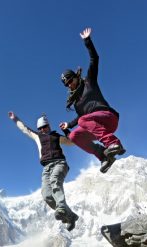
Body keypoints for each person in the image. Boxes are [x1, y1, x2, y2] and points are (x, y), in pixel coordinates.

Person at [59, 27, 125, 173]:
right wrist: (67, 125)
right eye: (67, 84)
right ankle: (104, 156)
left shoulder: (89, 81)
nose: (70, 84)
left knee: (83, 120)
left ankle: (114, 143)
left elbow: (94, 59)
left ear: (76, 76)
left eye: (71, 80)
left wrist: (87, 41)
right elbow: (79, 117)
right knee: (73, 135)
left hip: (107, 118)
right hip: (95, 126)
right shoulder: (76, 103)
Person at [8, 111, 78, 231]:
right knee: (46, 195)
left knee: (55, 180)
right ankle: (70, 216)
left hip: (60, 163)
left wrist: (66, 130)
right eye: (40, 128)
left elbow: (72, 142)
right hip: (46, 167)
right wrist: (15, 119)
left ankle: (61, 207)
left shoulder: (57, 137)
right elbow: (24, 129)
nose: (42, 130)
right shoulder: (37, 137)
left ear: (48, 126)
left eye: (44, 127)